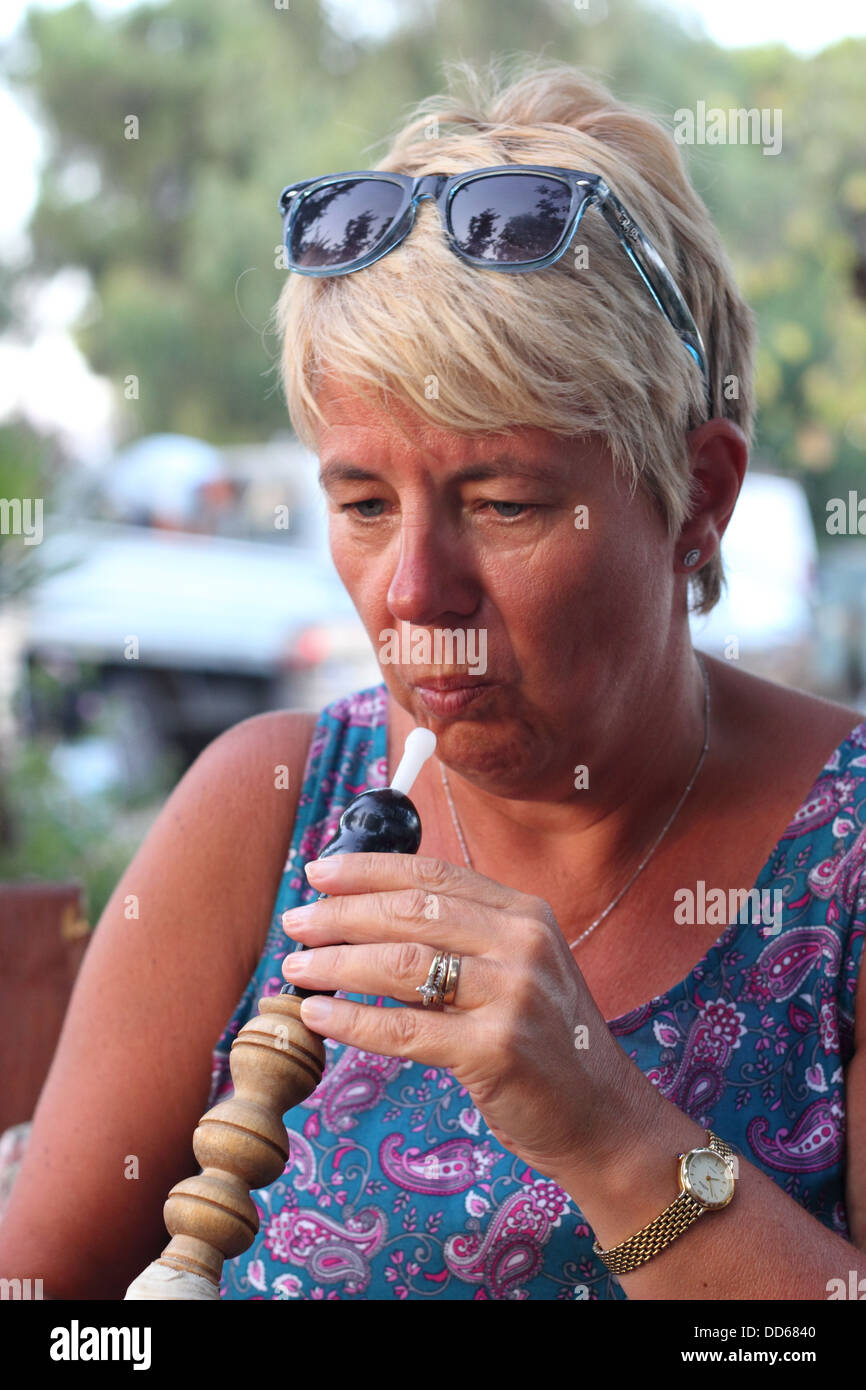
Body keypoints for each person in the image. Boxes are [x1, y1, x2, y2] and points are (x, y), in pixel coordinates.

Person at [1, 55, 864, 1302]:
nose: (412, 592)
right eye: (360, 502)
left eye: (503, 502)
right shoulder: (268, 813)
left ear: (699, 500)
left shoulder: (839, 869)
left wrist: (608, 1131)